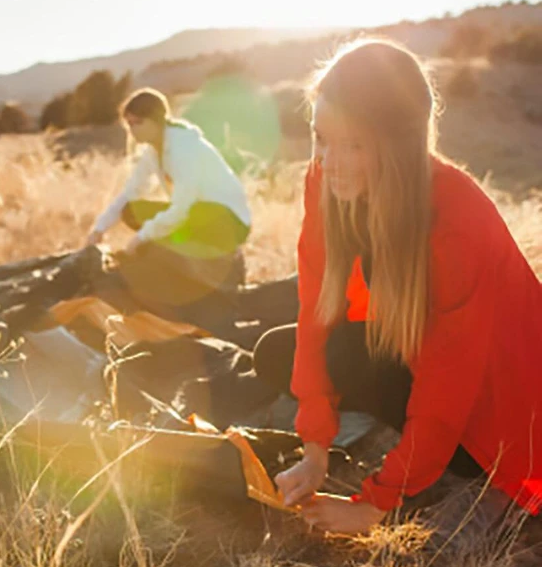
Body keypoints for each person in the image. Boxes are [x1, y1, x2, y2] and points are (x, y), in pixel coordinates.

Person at [252, 38, 542, 534]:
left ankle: (443, 469)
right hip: (417, 354)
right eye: (322, 138)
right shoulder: (325, 179)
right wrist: (315, 452)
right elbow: (316, 310)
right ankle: (410, 447)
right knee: (281, 352)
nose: (330, 160)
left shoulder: (457, 216)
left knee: (389, 382)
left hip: (502, 404)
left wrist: (372, 504)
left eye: (355, 144)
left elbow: (448, 384)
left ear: (397, 144)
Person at [87, 88, 251, 263]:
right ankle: (176, 248)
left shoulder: (183, 146)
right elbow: (130, 192)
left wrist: (142, 237)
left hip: (228, 221)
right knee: (131, 211)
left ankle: (184, 253)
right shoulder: (152, 151)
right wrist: (99, 229)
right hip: (196, 215)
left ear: (156, 120)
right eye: (129, 124)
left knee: (188, 214)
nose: (133, 130)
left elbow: (182, 207)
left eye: (138, 122)